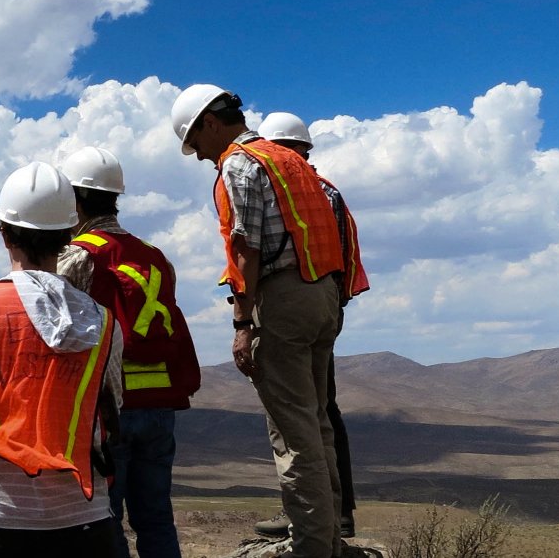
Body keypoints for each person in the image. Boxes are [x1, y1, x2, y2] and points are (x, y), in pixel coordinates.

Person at [171, 85, 352, 558]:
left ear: (211, 123)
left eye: (195, 142)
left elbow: (245, 247)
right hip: (324, 294)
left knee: (294, 435)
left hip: (283, 300)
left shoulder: (238, 163)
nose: (198, 157)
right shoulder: (287, 159)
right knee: (316, 423)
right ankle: (329, 539)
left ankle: (313, 548)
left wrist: (242, 322)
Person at [0, 162, 125, 558]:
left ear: (3, 232)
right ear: (68, 236)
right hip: (86, 519)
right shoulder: (103, 322)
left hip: (0, 520)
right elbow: (110, 410)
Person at [54, 146, 201, 558]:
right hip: (160, 404)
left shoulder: (78, 254)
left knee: (105, 518)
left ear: (75, 200)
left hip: (109, 409)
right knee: (155, 516)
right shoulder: (156, 256)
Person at [250, 112, 371, 541]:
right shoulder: (327, 191)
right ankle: (332, 512)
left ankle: (314, 517)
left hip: (293, 307)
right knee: (321, 412)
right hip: (325, 308)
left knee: (301, 416)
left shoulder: (293, 189)